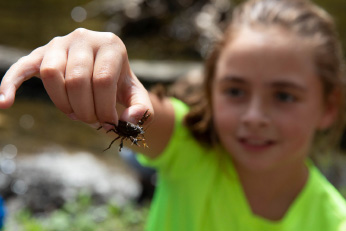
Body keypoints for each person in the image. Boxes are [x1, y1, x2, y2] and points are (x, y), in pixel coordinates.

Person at [0, 0, 346, 229]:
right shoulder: (188, 144)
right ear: (211, 91)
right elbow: (131, 107)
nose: (255, 116)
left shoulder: (333, 221)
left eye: (284, 96)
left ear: (328, 107)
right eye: (235, 91)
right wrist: (94, 64)